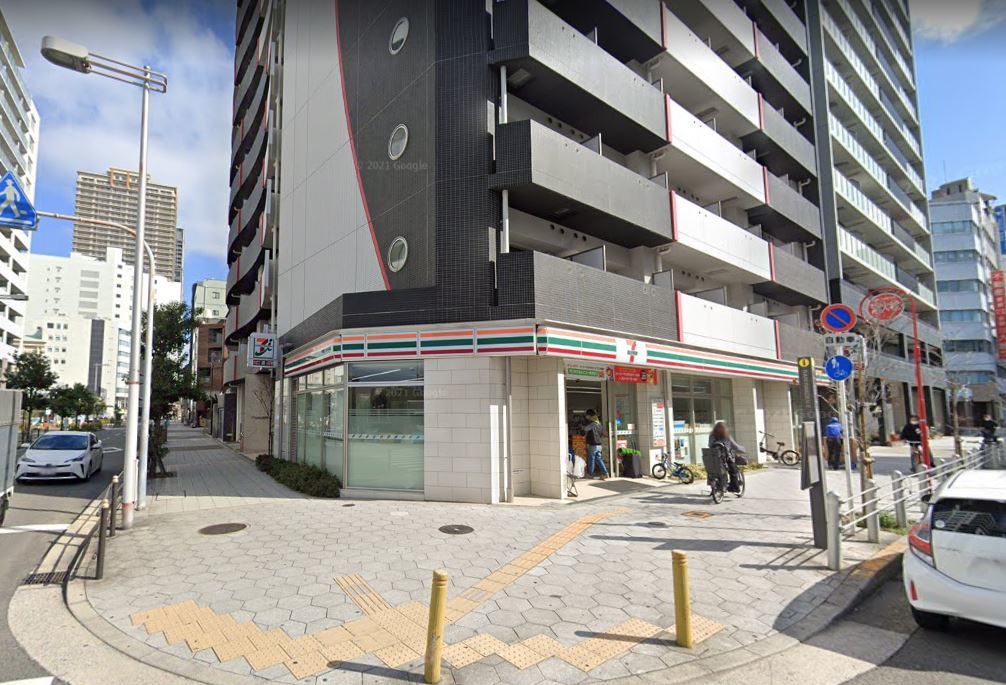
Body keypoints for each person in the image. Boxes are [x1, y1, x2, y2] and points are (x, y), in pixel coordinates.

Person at [709, 421, 744, 492]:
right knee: (733, 471)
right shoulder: (727, 437)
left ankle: (717, 486)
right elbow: (735, 446)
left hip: (714, 460)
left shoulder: (712, 436)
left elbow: (710, 445)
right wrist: (743, 449)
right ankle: (735, 487)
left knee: (713, 470)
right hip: (726, 459)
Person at [583, 410, 607, 480]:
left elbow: (585, 429)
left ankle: (590, 474)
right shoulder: (599, 424)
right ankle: (605, 473)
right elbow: (602, 433)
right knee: (599, 459)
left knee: (591, 459)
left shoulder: (592, 424)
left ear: (590, 416)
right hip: (599, 445)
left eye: (587, 415)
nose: (586, 416)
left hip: (593, 444)